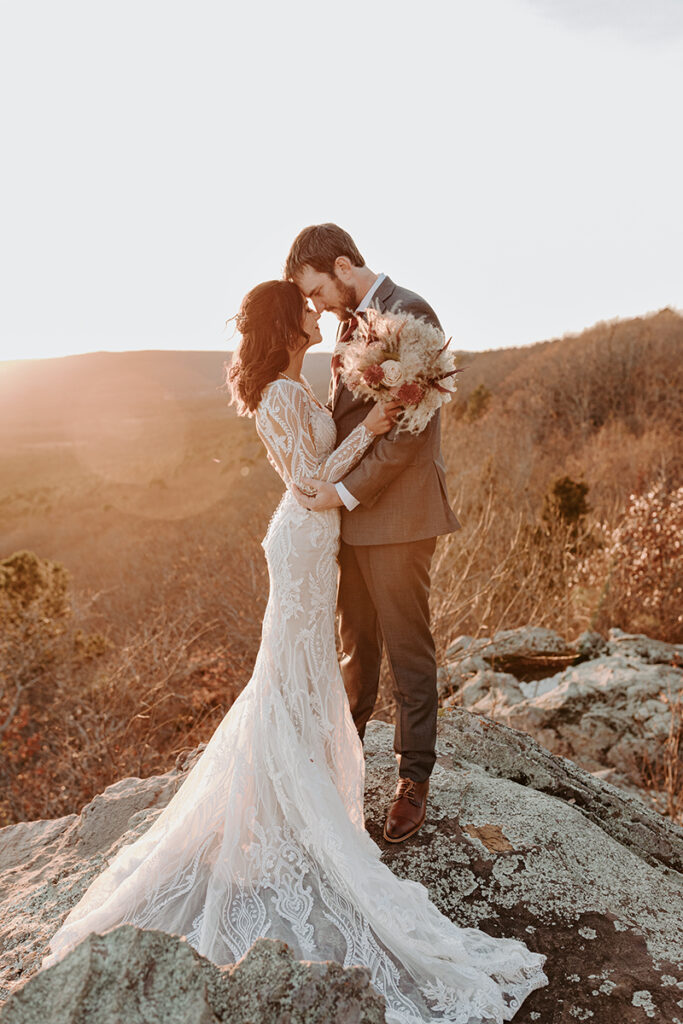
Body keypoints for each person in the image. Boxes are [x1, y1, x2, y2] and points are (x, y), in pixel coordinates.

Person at [42, 280, 547, 1022]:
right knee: (291, 673)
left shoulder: (293, 383)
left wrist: (371, 419)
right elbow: (310, 484)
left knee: (304, 672)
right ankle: (287, 802)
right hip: (305, 539)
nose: (318, 314)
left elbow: (320, 475)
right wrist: (373, 426)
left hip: (318, 541)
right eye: (305, 307)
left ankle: (301, 788)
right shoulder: (280, 397)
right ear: (284, 323)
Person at [284, 224, 459, 843]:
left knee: (408, 648)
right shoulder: (347, 325)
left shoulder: (409, 313)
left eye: (316, 291)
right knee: (356, 647)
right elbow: (351, 420)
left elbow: (412, 433)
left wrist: (345, 490)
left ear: (341, 265)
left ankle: (413, 779)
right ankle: (347, 762)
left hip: (400, 516)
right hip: (348, 518)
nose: (316, 306)